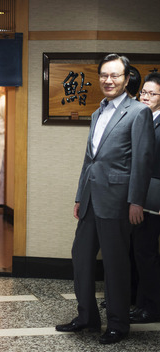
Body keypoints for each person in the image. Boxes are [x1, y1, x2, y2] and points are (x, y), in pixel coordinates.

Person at [55, 54, 154, 345]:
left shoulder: (138, 112)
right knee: (81, 258)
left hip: (118, 200)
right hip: (90, 199)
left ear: (126, 79)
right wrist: (78, 196)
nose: (108, 81)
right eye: (104, 75)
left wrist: (136, 200)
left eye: (115, 75)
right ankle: (86, 317)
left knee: (115, 264)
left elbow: (143, 161)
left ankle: (118, 324)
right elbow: (90, 160)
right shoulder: (98, 112)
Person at [129, 72, 160, 324]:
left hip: (153, 198)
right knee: (137, 250)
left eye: (152, 93)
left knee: (146, 251)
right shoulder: (142, 117)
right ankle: (139, 302)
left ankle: (152, 307)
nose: (146, 97)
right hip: (137, 194)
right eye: (144, 92)